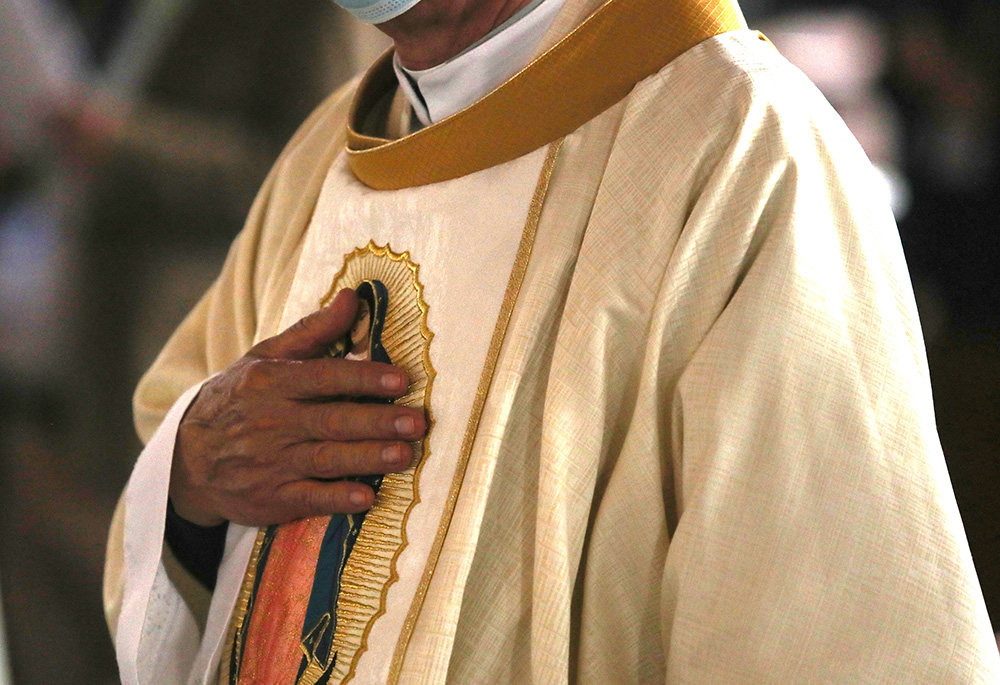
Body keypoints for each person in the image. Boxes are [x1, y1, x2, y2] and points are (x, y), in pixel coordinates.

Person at [104, 0, 1000, 682]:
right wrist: (192, 472)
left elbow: (842, 640)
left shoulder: (743, 152)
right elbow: (173, 458)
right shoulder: (324, 160)